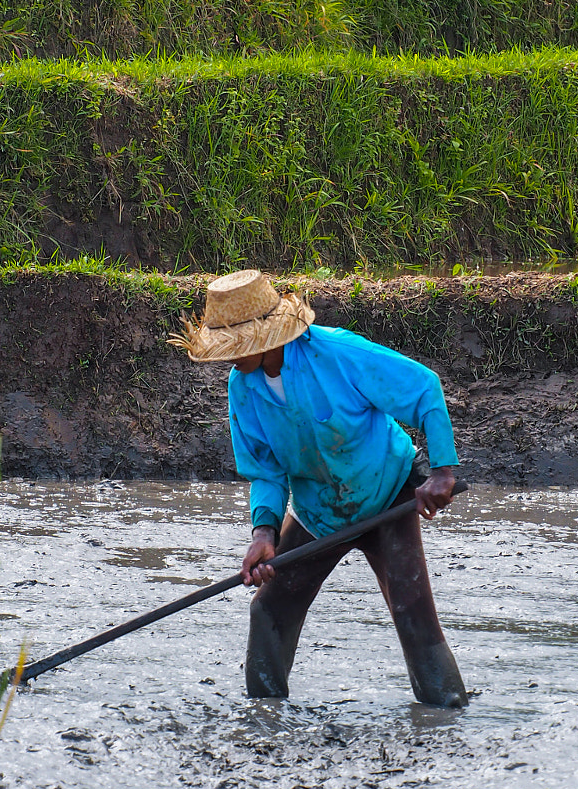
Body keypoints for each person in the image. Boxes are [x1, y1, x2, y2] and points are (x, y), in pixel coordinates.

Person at [170, 269, 468, 709]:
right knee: (268, 611)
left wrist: (442, 471)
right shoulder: (244, 388)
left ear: (265, 338)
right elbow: (267, 470)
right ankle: (266, 718)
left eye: (234, 348)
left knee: (412, 613)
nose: (228, 360)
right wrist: (264, 534)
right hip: (319, 512)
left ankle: (447, 714)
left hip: (386, 493)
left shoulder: (338, 353)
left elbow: (423, 388)